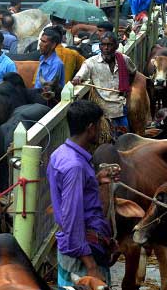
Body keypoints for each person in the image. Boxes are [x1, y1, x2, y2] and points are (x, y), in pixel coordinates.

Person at [47, 100, 120, 286]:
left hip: (73, 250)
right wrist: (92, 266)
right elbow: (72, 218)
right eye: (99, 125)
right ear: (91, 128)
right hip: (84, 255)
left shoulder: (60, 154)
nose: (101, 130)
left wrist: (94, 180)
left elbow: (67, 194)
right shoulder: (75, 166)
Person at [72, 31, 136, 138]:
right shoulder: (91, 63)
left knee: (124, 139)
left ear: (116, 45)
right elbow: (80, 75)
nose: (106, 48)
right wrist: (77, 79)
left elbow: (133, 72)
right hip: (103, 110)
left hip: (120, 107)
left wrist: (126, 87)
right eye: (103, 45)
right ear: (100, 46)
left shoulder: (124, 59)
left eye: (109, 45)